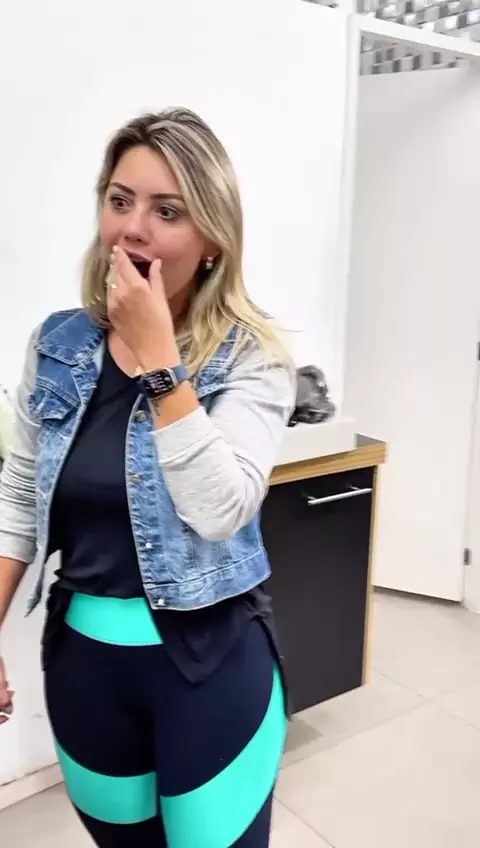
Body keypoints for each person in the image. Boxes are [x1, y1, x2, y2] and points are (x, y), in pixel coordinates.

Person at [0, 107, 296, 847]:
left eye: (167, 212)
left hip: (212, 665)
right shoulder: (58, 345)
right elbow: (19, 498)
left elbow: (221, 510)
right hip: (85, 668)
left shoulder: (251, 357)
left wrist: (162, 364)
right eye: (119, 201)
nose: (132, 230)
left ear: (212, 241)